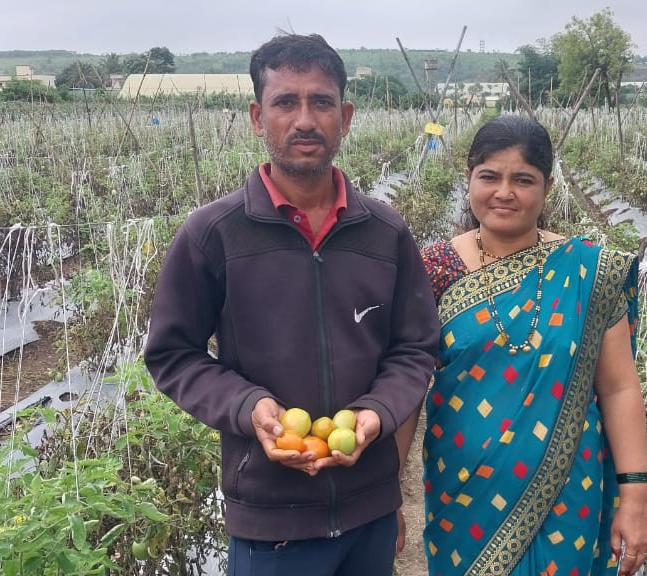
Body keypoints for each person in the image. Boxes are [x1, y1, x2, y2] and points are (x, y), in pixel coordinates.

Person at [143, 33, 439, 576]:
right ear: (258, 117)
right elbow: (173, 353)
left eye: (321, 102)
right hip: (269, 524)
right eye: (286, 102)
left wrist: (374, 414)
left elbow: (415, 348)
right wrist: (246, 405)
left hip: (369, 513)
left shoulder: (385, 232)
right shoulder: (214, 234)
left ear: (345, 116)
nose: (305, 119)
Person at [418, 115, 647, 576]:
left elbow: (619, 387)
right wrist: (386, 494)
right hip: (461, 493)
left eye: (523, 179)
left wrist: (635, 497)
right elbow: (407, 382)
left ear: (546, 188)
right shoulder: (436, 268)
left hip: (567, 491)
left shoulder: (590, 271)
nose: (504, 192)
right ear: (468, 181)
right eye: (489, 176)